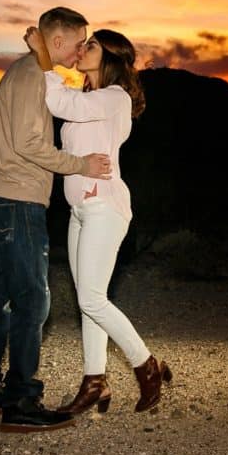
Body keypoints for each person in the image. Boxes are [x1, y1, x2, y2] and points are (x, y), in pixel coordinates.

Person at [0, 6, 113, 434]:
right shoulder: (31, 74)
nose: (80, 51)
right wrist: (79, 164)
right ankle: (21, 401)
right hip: (19, 199)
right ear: (60, 39)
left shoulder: (23, 70)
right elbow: (31, 143)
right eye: (79, 41)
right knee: (34, 299)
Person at [25, 25, 172, 415]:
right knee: (89, 299)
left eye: (91, 45)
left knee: (91, 297)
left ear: (108, 58)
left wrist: (43, 55)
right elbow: (62, 104)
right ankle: (95, 382)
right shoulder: (89, 98)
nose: (83, 48)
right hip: (80, 210)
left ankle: (146, 365)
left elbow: (59, 103)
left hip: (104, 207)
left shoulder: (114, 98)